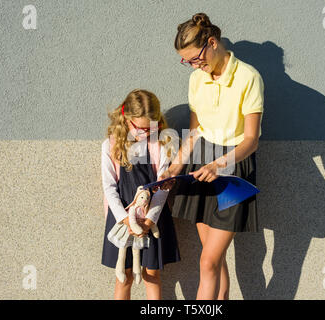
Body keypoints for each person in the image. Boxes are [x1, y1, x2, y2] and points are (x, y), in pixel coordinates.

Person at [157, 13, 264, 300]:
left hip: (232, 171)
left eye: (196, 59)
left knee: (207, 262)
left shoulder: (249, 77)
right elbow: (195, 130)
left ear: (212, 43)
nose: (194, 66)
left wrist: (220, 164)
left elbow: (251, 139)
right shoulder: (196, 79)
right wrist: (174, 166)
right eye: (188, 62)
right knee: (213, 260)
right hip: (200, 166)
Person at [101, 89, 181, 300]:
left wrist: (148, 220)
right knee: (124, 276)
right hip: (121, 219)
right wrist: (124, 219)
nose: (146, 133)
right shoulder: (111, 146)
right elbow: (109, 187)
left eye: (150, 128)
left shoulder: (160, 145)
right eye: (141, 128)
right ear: (126, 119)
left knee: (151, 274)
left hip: (152, 217)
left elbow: (163, 188)